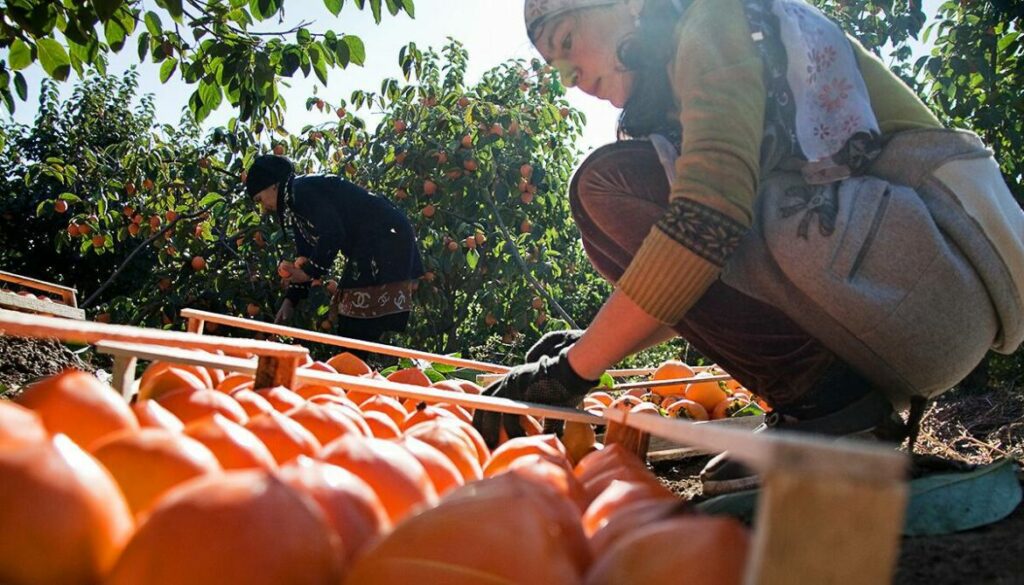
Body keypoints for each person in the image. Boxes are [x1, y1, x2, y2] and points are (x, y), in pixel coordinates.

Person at [474, 0, 1024, 495]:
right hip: (907, 296)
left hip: (930, 270)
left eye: (567, 42)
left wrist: (572, 371)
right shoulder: (684, 64)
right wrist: (601, 343)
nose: (569, 78)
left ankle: (832, 410)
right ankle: (826, 410)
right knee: (636, 199)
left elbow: (708, 221)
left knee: (609, 186)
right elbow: (715, 279)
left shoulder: (714, 18)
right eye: (556, 69)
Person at [244, 155, 424, 356]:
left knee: (356, 324)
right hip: (377, 243)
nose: (263, 207)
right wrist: (290, 300)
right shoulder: (294, 200)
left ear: (273, 186)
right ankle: (360, 373)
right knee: (353, 324)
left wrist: (311, 271)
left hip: (385, 240)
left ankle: (359, 376)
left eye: (260, 199)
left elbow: (333, 233)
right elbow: (306, 252)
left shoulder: (301, 190)